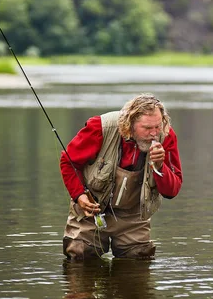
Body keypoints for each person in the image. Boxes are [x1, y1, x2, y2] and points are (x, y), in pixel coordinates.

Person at [60, 93, 183, 260]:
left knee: (139, 260)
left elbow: (172, 191)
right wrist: (79, 195)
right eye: (147, 128)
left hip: (133, 216)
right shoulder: (100, 127)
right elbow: (68, 162)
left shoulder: (166, 136)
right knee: (79, 255)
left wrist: (160, 166)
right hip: (91, 210)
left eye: (158, 126)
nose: (154, 133)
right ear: (130, 125)